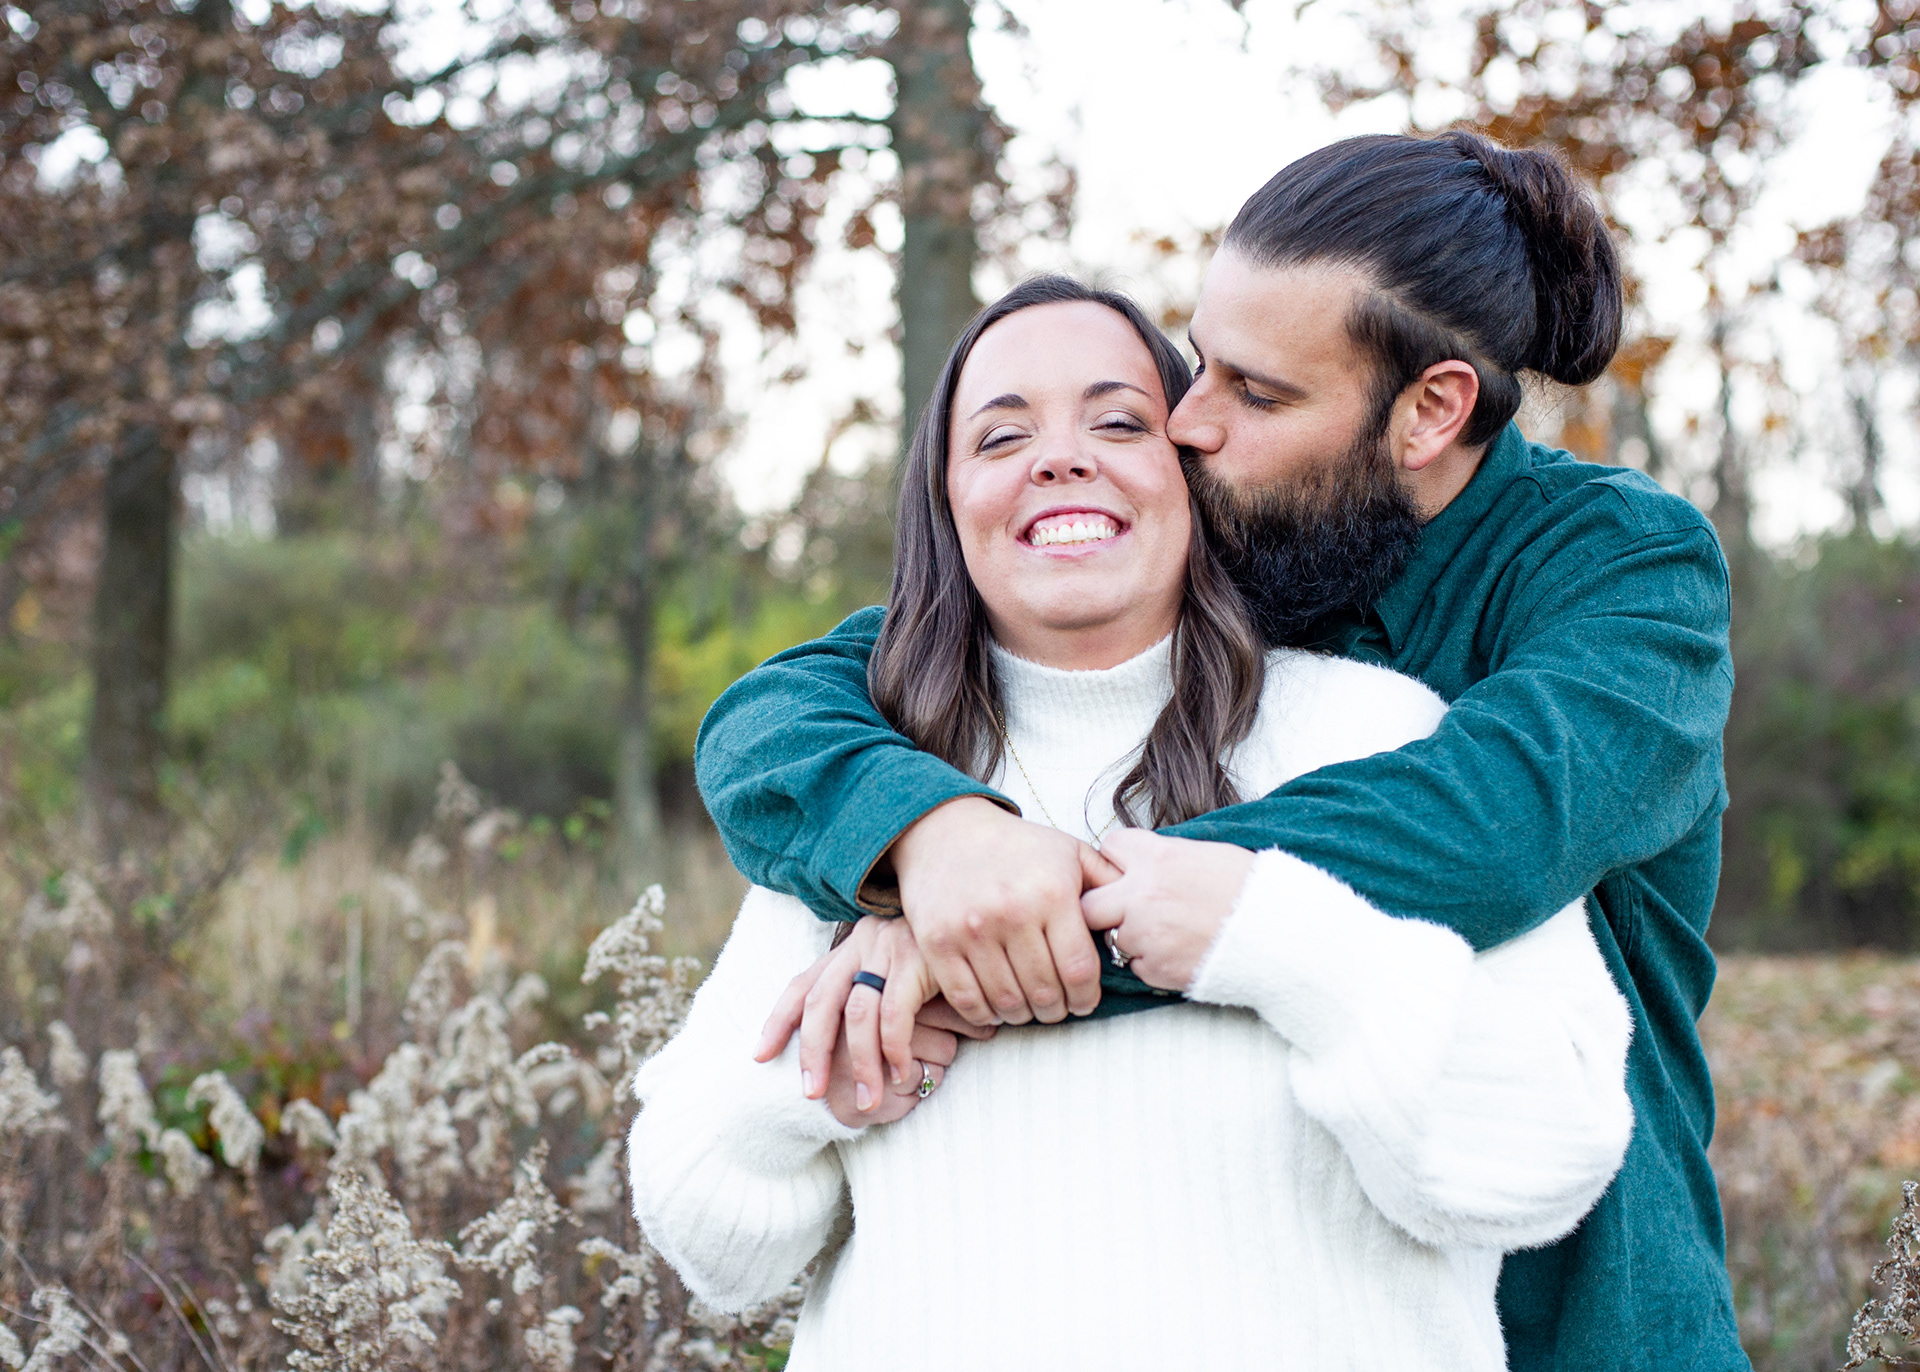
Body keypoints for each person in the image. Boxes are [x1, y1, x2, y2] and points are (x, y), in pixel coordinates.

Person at [694, 130, 1747, 1370]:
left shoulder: (1630, 571)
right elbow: (787, 710)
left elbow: (1485, 824)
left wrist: (993, 934)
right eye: (1200, 362)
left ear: (1431, 410)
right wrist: (932, 838)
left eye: (1257, 391)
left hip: (1589, 1310)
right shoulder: (1245, 526)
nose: (1189, 421)